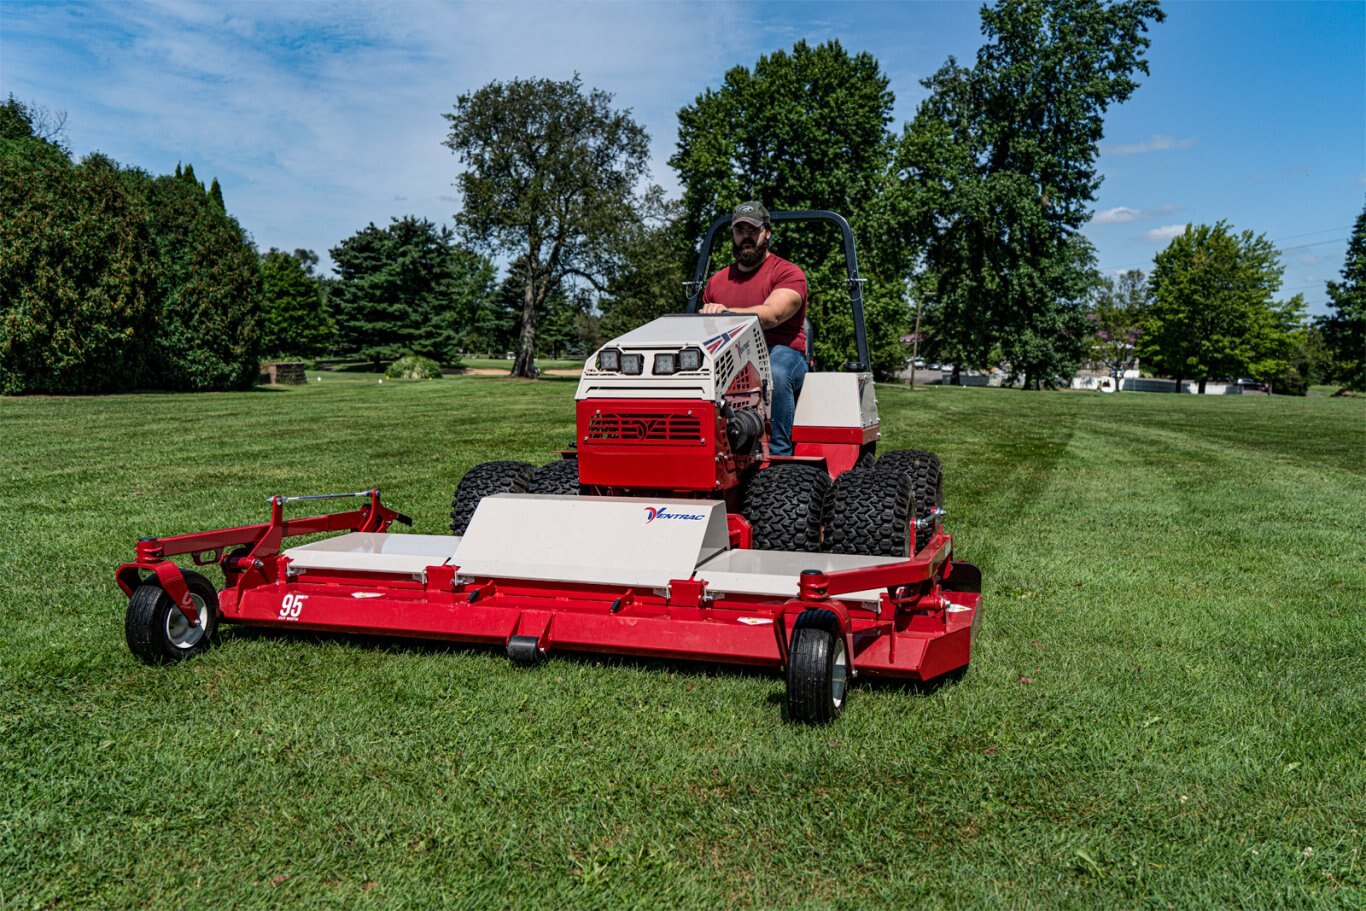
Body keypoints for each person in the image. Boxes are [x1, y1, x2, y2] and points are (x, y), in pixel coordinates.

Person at [699, 201, 808, 457]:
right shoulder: (717, 281)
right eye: (740, 230)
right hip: (730, 355)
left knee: (777, 373)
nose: (746, 236)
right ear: (733, 236)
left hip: (782, 351)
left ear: (767, 233)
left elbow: (772, 315)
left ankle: (781, 454)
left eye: (753, 230)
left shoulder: (788, 273)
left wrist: (725, 313)